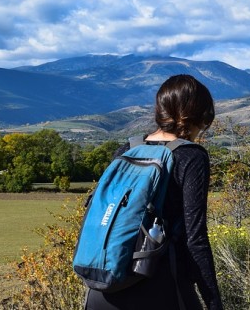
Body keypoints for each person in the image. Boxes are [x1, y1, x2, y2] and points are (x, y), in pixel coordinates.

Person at [86, 74, 223, 310]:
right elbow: (195, 239)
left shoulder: (126, 149)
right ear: (200, 115)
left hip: (102, 287)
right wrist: (214, 302)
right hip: (160, 286)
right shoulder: (191, 156)